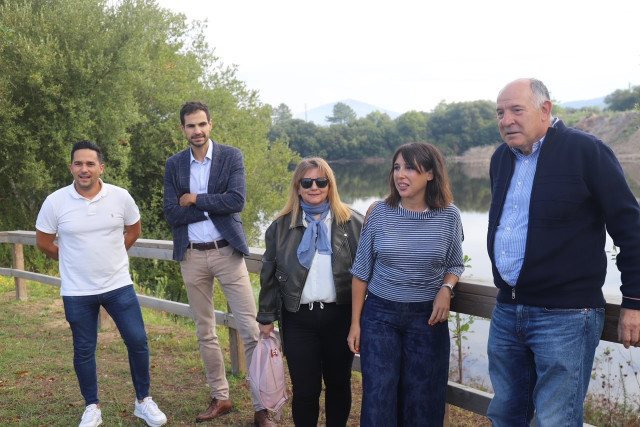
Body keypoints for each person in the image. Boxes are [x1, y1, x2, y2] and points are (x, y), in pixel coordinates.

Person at [486, 78, 640, 426]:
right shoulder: (500, 159)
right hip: (507, 311)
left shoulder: (586, 151)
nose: (506, 120)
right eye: (499, 113)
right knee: (505, 414)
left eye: (516, 110)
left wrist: (634, 301)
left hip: (566, 316)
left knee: (556, 420)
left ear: (545, 109)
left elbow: (631, 229)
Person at [35, 140, 167, 427]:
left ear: (101, 168)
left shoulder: (120, 197)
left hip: (118, 285)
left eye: (90, 164)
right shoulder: (55, 201)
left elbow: (133, 230)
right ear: (71, 167)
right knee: (84, 349)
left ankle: (143, 401)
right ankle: (92, 407)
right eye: (79, 163)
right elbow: (44, 242)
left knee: (138, 340)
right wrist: (71, 258)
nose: (84, 169)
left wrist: (113, 254)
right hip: (77, 291)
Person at [163, 101, 275, 426]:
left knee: (252, 330)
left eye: (201, 124)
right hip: (192, 254)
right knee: (205, 330)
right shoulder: (174, 165)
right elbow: (172, 212)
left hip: (227, 252)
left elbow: (237, 200)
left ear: (210, 124)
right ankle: (220, 397)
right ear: (183, 129)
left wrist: (196, 199)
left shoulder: (231, 156)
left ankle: (261, 406)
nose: (196, 131)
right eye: (190, 126)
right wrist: (216, 204)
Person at [347, 142, 465, 426]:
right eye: (397, 167)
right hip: (380, 317)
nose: (401, 174)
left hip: (428, 320)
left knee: (424, 399)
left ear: (430, 174)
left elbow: (454, 265)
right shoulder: (379, 212)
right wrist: (355, 323)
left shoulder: (450, 215)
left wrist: (446, 289)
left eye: (411, 168)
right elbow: (361, 271)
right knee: (378, 398)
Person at [257, 158, 363, 426]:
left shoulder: (353, 224)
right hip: (298, 320)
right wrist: (267, 316)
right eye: (307, 182)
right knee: (305, 390)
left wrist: (361, 320)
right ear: (298, 186)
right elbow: (269, 274)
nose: (314, 187)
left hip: (340, 317)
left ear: (330, 185)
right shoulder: (279, 228)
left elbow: (367, 273)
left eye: (321, 181)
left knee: (339, 385)